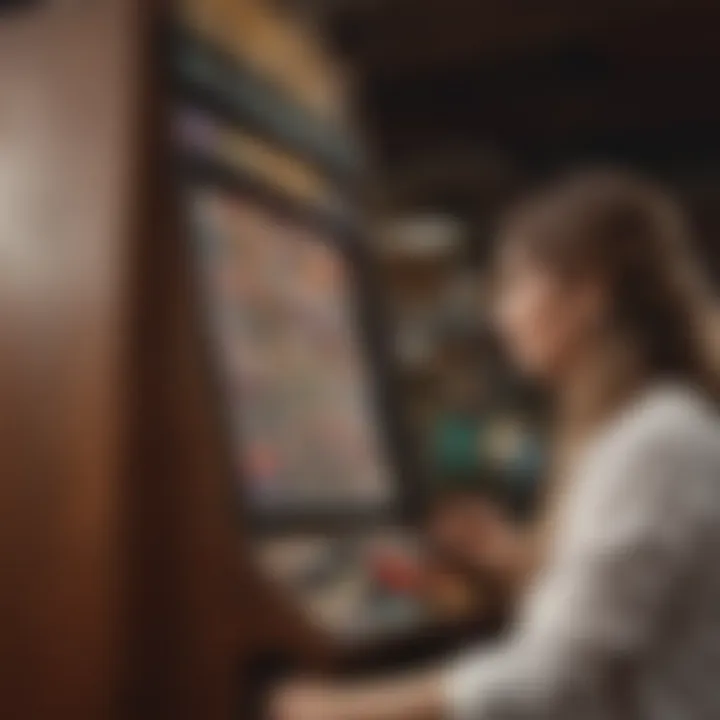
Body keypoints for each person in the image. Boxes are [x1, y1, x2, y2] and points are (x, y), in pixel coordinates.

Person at [272, 169, 720, 720]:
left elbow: (557, 680)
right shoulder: (643, 430)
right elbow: (617, 625)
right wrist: (514, 564)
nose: (500, 315)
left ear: (587, 296)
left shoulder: (657, 443)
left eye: (514, 284)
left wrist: (341, 709)